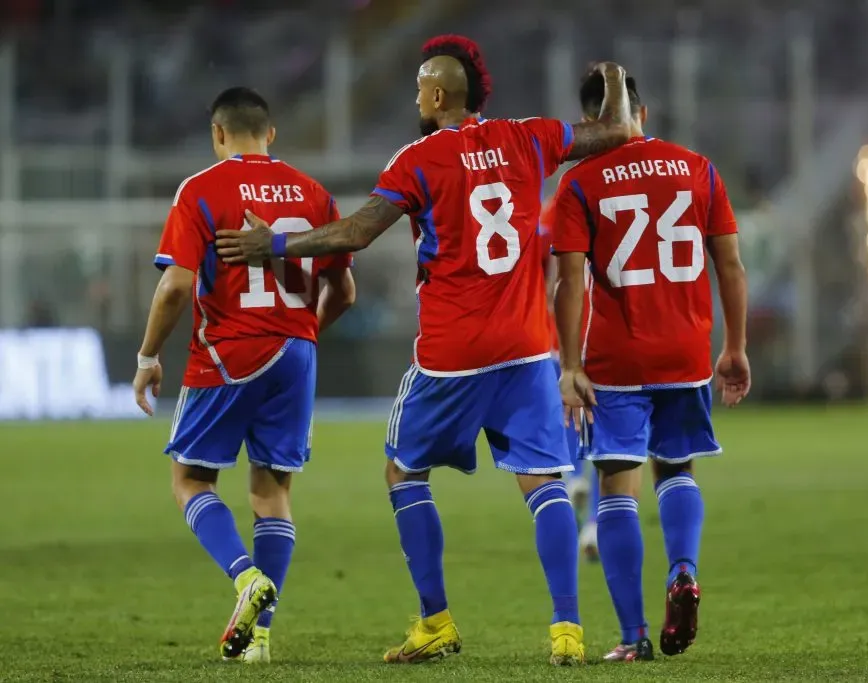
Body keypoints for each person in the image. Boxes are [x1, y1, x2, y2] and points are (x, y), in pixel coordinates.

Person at [214, 35, 632, 665]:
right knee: (543, 481)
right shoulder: (531, 137)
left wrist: (272, 245)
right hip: (526, 346)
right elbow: (619, 130)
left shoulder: (418, 158)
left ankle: (436, 621)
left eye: (418, 87)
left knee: (402, 470)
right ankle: (567, 632)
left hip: (452, 352)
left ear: (437, 96)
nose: (415, 96)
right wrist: (616, 76)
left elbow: (356, 231)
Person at [132, 87, 356, 663]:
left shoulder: (203, 189)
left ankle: (243, 577)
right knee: (272, 490)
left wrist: (148, 356)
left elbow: (177, 285)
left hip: (228, 353)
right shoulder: (313, 193)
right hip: (295, 352)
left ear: (218, 133)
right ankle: (259, 639)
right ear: (271, 133)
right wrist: (301, 335)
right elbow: (344, 291)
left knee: (191, 480)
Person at [551, 71, 750, 662]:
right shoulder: (698, 168)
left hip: (617, 358)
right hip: (685, 351)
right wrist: (734, 346)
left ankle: (634, 636)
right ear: (645, 111)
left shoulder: (579, 182)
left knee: (616, 486)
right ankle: (683, 570)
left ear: (589, 124)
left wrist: (569, 364)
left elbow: (568, 283)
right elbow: (731, 267)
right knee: (677, 468)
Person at [540, 200, 600, 558]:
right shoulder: (612, 194)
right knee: (607, 440)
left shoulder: (555, 209)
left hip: (559, 336)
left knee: (566, 416)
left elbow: (553, 281)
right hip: (604, 328)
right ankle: (592, 526)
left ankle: (575, 477)